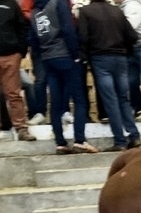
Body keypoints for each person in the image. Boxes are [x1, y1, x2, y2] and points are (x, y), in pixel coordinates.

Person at [28, 0, 98, 154]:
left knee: (55, 102)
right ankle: (80, 140)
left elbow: (33, 38)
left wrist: (43, 55)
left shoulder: (34, 11)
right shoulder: (58, 2)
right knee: (79, 99)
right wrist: (76, 54)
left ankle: (60, 143)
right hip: (65, 54)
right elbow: (67, 28)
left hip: (48, 58)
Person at [78, 0, 141, 151]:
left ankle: (120, 141)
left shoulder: (86, 11)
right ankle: (134, 135)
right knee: (123, 98)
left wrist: (84, 57)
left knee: (110, 100)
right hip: (120, 58)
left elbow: (83, 38)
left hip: (100, 58)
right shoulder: (117, 10)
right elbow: (132, 36)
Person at [0, 0, 36, 141]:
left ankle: (21, 128)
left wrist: (20, 52)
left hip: (11, 55)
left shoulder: (11, 4)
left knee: (14, 94)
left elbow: (22, 27)